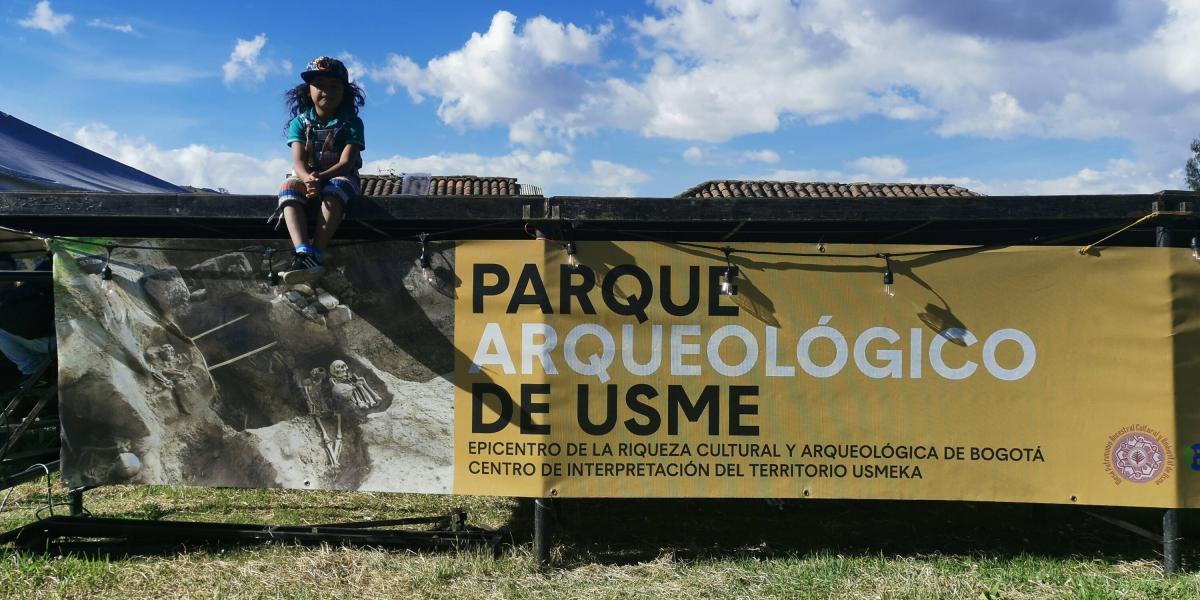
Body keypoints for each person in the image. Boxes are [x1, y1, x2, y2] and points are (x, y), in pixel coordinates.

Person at [273, 56, 366, 284]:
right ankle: (302, 250)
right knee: (287, 187)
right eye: (320, 86)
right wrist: (307, 180)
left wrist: (321, 178)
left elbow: (346, 162)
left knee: (337, 188)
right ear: (308, 91)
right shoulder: (300, 122)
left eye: (335, 86)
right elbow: (298, 161)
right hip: (308, 178)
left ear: (345, 91)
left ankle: (316, 253)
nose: (328, 91)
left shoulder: (352, 123)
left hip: (340, 177)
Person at [0, 256, 54, 383]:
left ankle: (31, 369)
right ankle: (34, 368)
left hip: (58, 340)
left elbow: (29, 328)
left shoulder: (28, 288)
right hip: (40, 344)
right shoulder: (19, 292)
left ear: (14, 271)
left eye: (5, 269)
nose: (2, 273)